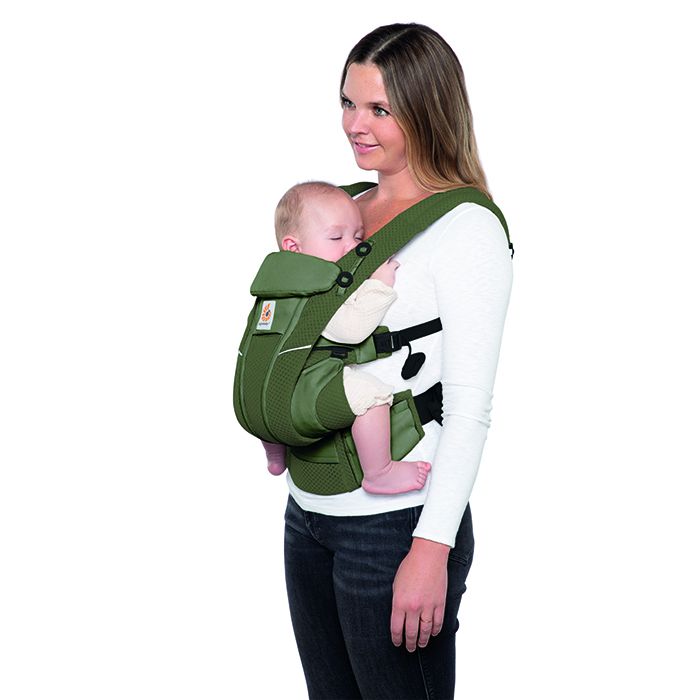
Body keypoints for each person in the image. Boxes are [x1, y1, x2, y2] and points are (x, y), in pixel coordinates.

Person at [282, 23, 513, 699]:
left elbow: (468, 405)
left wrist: (432, 546)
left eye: (379, 109)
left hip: (396, 527)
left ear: (427, 110)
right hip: (309, 510)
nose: (355, 125)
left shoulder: (465, 228)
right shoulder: (341, 210)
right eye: (348, 102)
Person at [261, 180, 431, 494]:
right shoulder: (314, 288)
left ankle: (275, 452)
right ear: (293, 248)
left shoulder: (273, 284)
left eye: (357, 236)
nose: (352, 247)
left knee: (266, 390)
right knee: (372, 396)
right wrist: (379, 285)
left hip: (263, 398)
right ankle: (379, 472)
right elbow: (351, 330)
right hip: (303, 390)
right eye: (336, 237)